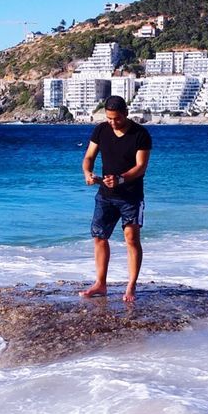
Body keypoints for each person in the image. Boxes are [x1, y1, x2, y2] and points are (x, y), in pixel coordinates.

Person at [80, 96, 152, 302]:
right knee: (99, 237)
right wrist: (87, 172)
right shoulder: (101, 130)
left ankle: (131, 286)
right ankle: (100, 284)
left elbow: (141, 167)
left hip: (131, 196)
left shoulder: (141, 134)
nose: (112, 122)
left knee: (131, 238)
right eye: (109, 118)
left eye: (117, 119)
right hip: (105, 195)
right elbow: (89, 157)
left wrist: (120, 179)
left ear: (126, 114)